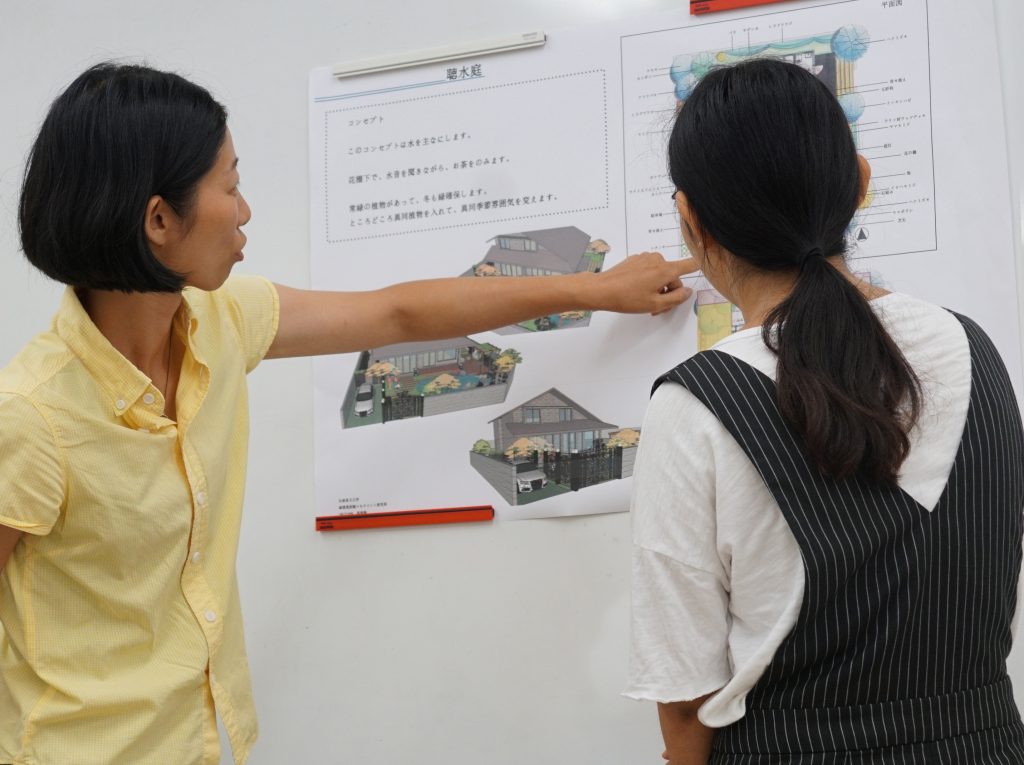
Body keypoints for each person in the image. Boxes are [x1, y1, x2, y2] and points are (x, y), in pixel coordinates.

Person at [0, 62, 694, 765]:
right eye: (230, 187)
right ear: (159, 220)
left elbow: (398, 313)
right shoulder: (32, 415)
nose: (245, 211)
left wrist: (593, 289)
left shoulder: (221, 322)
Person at [625, 58, 1024, 764]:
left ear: (691, 221)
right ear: (860, 182)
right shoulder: (975, 348)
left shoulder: (696, 403)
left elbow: (686, 700)